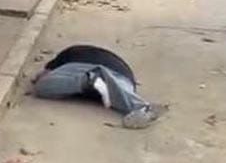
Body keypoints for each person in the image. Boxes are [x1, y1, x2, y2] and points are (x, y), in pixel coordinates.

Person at [33, 45, 167, 129]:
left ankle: (92, 78)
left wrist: (41, 76)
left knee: (42, 86)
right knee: (118, 94)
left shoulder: (64, 58)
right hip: (124, 78)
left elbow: (42, 75)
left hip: (86, 65)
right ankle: (142, 108)